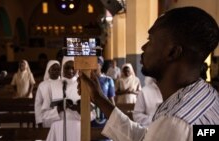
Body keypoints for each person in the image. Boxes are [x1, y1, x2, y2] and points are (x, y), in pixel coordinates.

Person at [80, 7, 219, 141]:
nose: (143, 47)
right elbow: (147, 137)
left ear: (172, 52)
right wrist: (99, 98)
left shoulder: (175, 122)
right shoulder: (209, 95)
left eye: (150, 40)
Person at [46, 57, 95, 141]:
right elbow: (44, 116)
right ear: (62, 68)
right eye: (67, 68)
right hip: (58, 129)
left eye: (73, 68)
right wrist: (57, 110)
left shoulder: (83, 86)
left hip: (78, 128)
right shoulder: (52, 86)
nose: (70, 71)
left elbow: (93, 115)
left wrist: (81, 110)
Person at [34, 60, 61, 128]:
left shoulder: (63, 83)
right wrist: (39, 120)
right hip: (46, 117)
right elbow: (38, 104)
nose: (56, 71)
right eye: (54, 69)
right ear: (48, 70)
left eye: (58, 69)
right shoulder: (42, 85)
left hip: (60, 118)